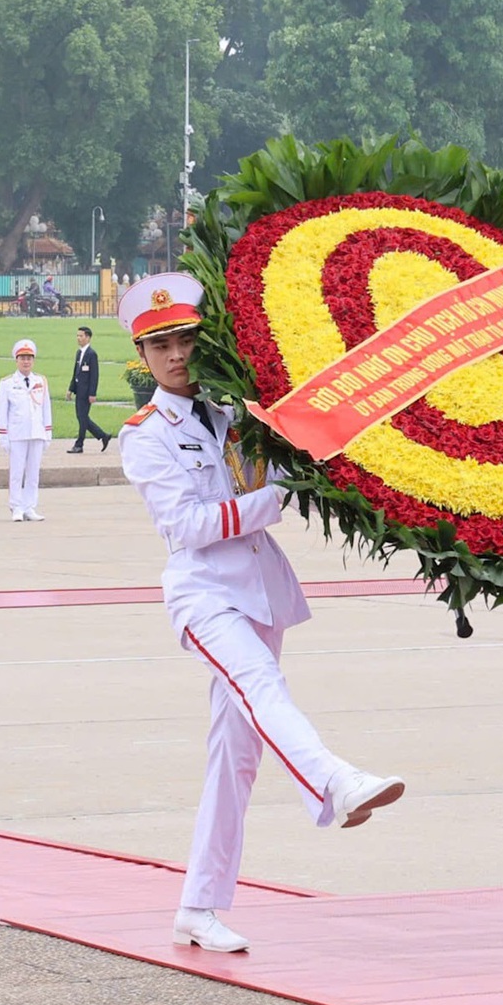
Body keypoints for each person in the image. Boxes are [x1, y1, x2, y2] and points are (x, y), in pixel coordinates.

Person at [116, 274, 404, 954]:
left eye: (186, 338)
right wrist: (281, 494)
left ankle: (198, 906)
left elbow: (279, 471)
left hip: (260, 589)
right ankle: (334, 783)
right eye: (162, 346)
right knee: (261, 690)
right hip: (206, 593)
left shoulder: (233, 413)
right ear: (143, 356)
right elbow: (186, 525)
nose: (178, 355)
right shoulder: (146, 433)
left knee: (234, 759)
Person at [0, 339, 53, 522]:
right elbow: (2, 412)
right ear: (16, 360)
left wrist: (47, 432)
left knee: (33, 472)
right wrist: (3, 436)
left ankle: (30, 506)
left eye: (29, 358)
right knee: (16, 472)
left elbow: (46, 408)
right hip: (17, 433)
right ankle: (16, 507)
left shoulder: (41, 381)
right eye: (22, 358)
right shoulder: (7, 383)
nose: (26, 361)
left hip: (36, 432)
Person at [67, 326, 111, 454]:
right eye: (77, 336)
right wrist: (70, 389)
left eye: (81, 336)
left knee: (82, 418)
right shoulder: (79, 353)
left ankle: (79, 444)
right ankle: (103, 436)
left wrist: (92, 393)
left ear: (88, 337)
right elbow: (75, 373)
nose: (78, 338)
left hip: (86, 392)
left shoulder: (92, 354)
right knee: (82, 417)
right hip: (78, 391)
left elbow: (94, 376)